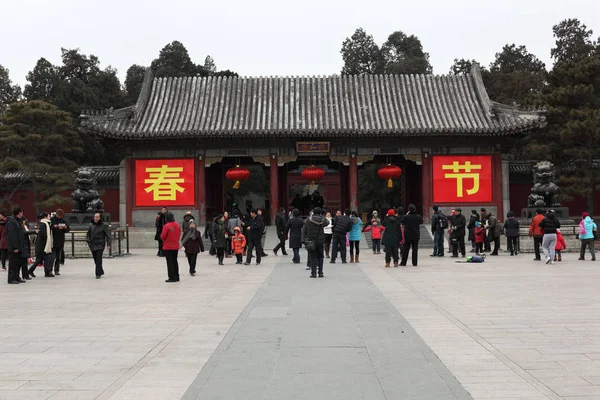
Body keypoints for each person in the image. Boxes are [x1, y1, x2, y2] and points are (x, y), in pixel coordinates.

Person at [302, 207, 329, 278]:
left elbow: (304, 227)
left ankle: (313, 273)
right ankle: (320, 273)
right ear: (320, 213)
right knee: (320, 257)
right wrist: (322, 216)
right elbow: (327, 222)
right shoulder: (322, 220)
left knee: (313, 257)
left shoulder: (308, 220)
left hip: (311, 240)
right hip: (320, 240)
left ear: (313, 212)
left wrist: (303, 240)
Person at [86, 213, 111, 279]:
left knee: (98, 259)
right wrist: (88, 241)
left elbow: (108, 235)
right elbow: (88, 234)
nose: (96, 218)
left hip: (100, 244)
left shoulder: (104, 225)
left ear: (100, 218)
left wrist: (108, 244)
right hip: (92, 244)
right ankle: (100, 271)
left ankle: (98, 274)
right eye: (95, 217)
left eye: (97, 217)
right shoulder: (91, 225)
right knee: (95, 259)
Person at [6, 207, 26, 284]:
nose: (22, 214)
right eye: (22, 212)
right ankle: (11, 278)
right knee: (13, 263)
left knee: (18, 263)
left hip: (19, 246)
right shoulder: (12, 222)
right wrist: (15, 247)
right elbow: (12, 235)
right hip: (14, 247)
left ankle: (17, 277)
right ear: (19, 212)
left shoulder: (18, 221)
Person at [160, 212, 181, 282]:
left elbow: (163, 236)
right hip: (176, 245)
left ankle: (171, 277)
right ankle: (176, 276)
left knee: (169, 262)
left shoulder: (166, 226)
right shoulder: (177, 225)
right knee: (175, 261)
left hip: (168, 246)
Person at [34, 212, 55, 277]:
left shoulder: (46, 223)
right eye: (49, 216)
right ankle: (31, 270)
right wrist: (47, 241)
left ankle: (47, 272)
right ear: (45, 217)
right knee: (41, 259)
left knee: (45, 258)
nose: (50, 217)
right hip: (43, 244)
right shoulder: (43, 224)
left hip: (45, 243)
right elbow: (43, 234)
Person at [50, 209, 70, 275]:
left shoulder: (63, 220)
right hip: (53, 240)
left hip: (60, 240)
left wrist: (65, 228)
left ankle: (56, 270)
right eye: (59, 216)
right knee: (52, 257)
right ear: (56, 214)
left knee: (58, 257)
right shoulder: (52, 220)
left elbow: (68, 229)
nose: (60, 217)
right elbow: (49, 228)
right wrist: (54, 227)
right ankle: (49, 270)